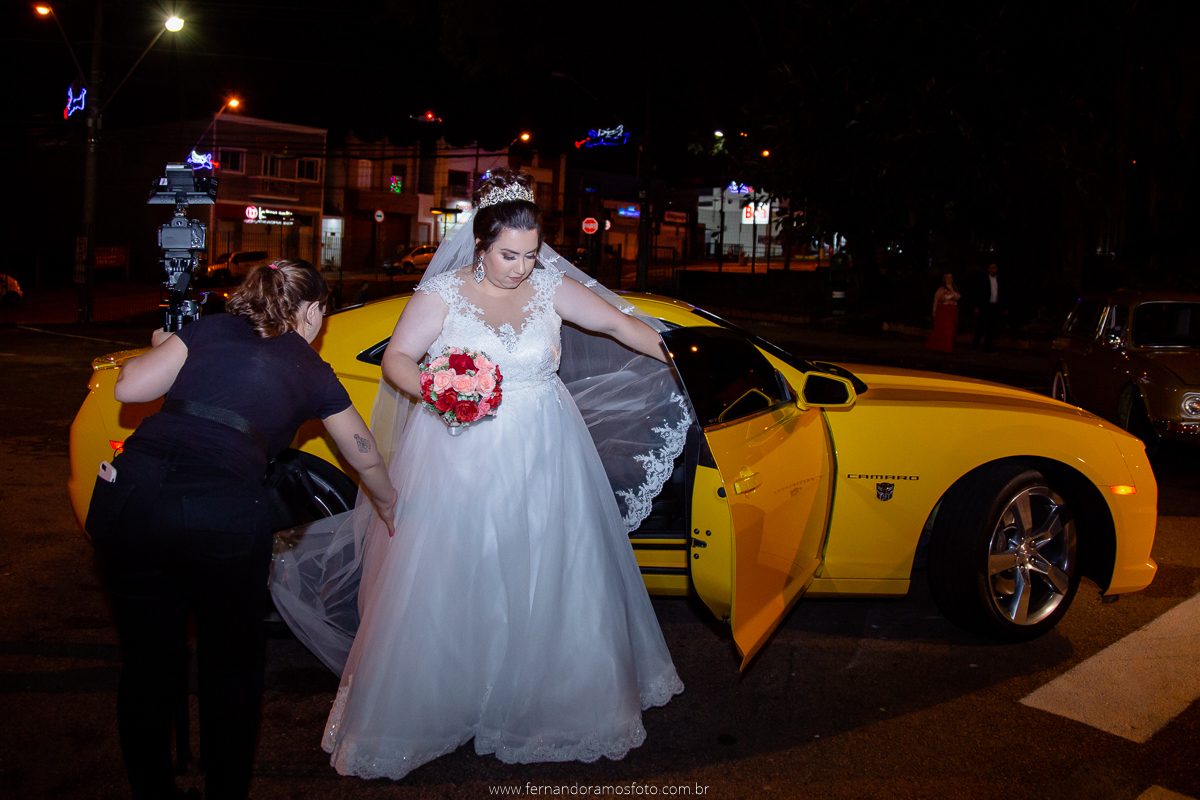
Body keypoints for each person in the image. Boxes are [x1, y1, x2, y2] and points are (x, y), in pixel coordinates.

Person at [275, 169, 687, 781]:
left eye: (531, 253)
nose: (522, 266)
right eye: (509, 255)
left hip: (546, 451)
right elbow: (397, 360)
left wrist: (686, 362)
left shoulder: (551, 288)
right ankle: (443, 702)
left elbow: (622, 326)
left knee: (548, 568)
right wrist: (438, 391)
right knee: (456, 572)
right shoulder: (443, 292)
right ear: (482, 244)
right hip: (460, 453)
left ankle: (547, 702)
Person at [85, 260, 397, 800]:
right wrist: (391, 507)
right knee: (229, 666)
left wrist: (164, 346)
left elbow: (130, 390)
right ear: (313, 310)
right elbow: (362, 455)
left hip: (131, 499)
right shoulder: (312, 368)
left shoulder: (208, 329)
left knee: (146, 665)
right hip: (220, 514)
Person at [972, 262, 1005, 351]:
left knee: (991, 327)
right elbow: (978, 292)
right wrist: (977, 306)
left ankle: (987, 346)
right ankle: (976, 342)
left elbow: (1002, 293)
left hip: (995, 305)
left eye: (994, 268)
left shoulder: (999, 279)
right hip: (985, 305)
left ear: (997, 269)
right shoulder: (983, 279)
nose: (992, 269)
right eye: (990, 268)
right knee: (983, 325)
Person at [924, 272, 961, 353]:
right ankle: (944, 347)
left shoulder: (955, 288)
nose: (949, 279)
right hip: (944, 310)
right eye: (947, 277)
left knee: (953, 328)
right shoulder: (941, 289)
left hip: (953, 310)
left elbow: (957, 297)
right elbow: (935, 301)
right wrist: (934, 311)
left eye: (951, 277)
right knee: (947, 328)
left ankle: (949, 346)